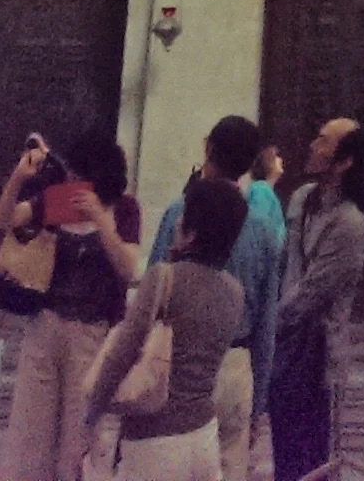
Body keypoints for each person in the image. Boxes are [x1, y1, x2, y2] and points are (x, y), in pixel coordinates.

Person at [0, 127, 140, 481]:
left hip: (93, 333)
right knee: (32, 430)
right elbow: (3, 221)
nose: (72, 177)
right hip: (46, 324)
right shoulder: (60, 199)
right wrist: (18, 178)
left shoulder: (123, 209)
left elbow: (129, 269)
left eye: (80, 172)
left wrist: (101, 220)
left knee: (81, 435)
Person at [86, 174, 248, 481]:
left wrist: (92, 413)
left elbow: (122, 353)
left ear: (192, 232)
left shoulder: (164, 278)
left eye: (183, 216)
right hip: (204, 437)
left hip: (154, 439)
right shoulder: (234, 291)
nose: (177, 222)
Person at [150, 115, 282, 481]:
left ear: (208, 149)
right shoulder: (263, 230)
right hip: (235, 364)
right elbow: (266, 322)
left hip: (179, 357)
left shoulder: (179, 212)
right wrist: (259, 404)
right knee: (229, 467)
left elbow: (154, 291)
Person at [269, 118, 364, 481]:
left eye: (324, 142)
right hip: (287, 347)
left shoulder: (349, 223)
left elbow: (314, 293)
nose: (313, 145)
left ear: (344, 161)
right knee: (284, 453)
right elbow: (286, 266)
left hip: (318, 356)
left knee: (315, 460)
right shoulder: (301, 199)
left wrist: (270, 324)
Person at [249, 148, 286, 250]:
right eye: (276, 156)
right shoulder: (261, 190)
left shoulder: (265, 190)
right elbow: (261, 224)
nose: (281, 159)